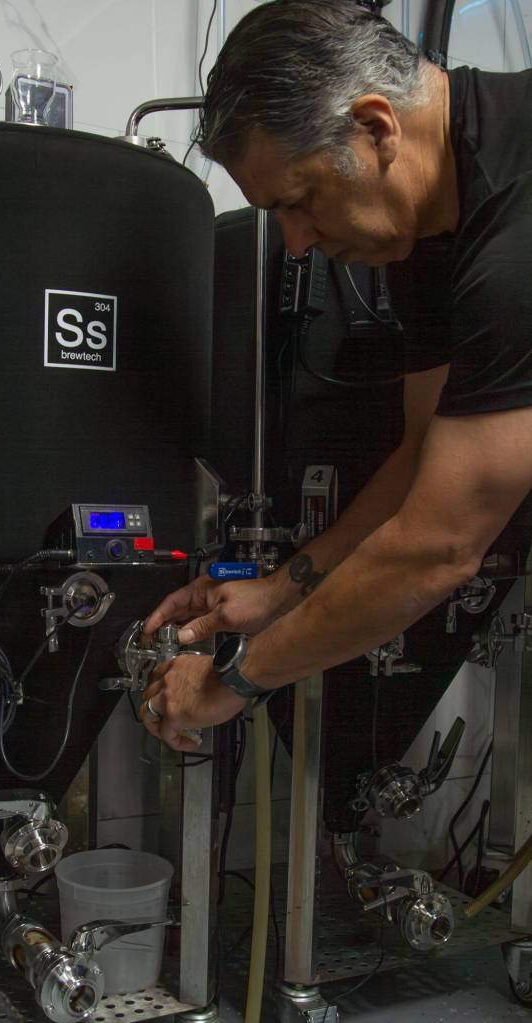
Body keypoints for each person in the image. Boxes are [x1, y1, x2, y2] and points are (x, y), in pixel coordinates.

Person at [140, 0, 532, 751]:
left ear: (377, 127)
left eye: (301, 201)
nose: (295, 244)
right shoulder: (426, 238)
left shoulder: (515, 224)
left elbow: (440, 544)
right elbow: (421, 456)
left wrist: (231, 683)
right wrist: (279, 592)